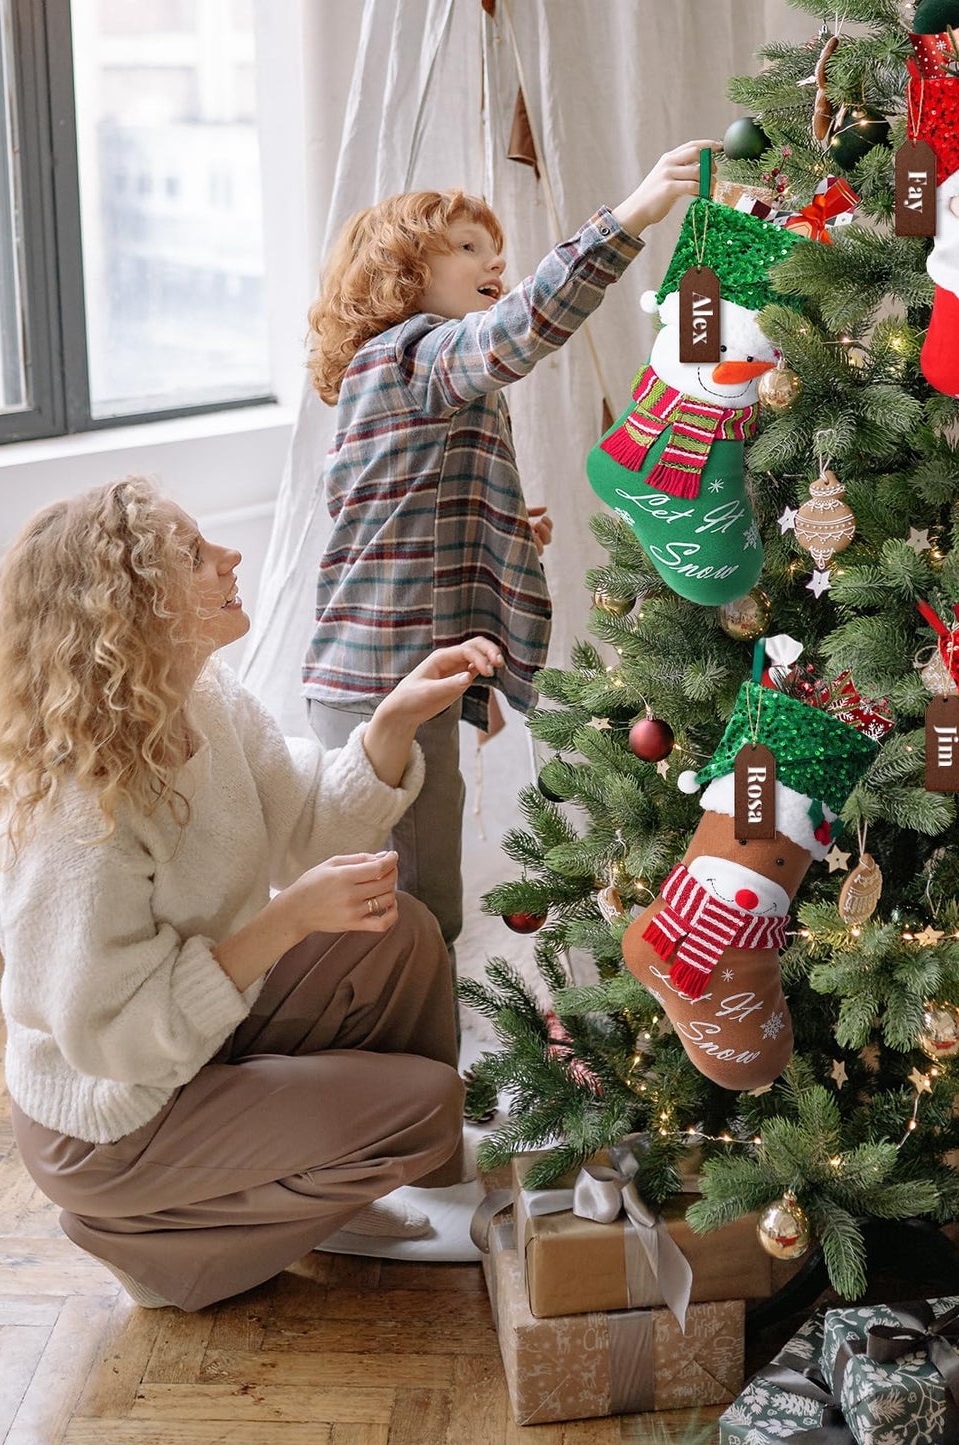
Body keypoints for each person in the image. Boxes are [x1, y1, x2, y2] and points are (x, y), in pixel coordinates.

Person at [0, 476, 502, 1311]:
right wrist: (286, 922)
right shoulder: (76, 807)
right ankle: (158, 1239)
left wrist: (392, 722)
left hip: (194, 1043)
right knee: (423, 1103)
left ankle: (405, 1179)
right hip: (113, 1119)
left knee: (398, 933)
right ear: (134, 606)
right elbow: (118, 1043)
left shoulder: (204, 699)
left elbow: (312, 824)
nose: (230, 557)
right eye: (193, 555)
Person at [301, 139, 718, 977]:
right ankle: (409, 1070)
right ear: (399, 273)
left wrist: (500, 529)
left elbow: (395, 515)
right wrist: (628, 216)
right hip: (385, 684)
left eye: (493, 245)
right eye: (465, 246)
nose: (494, 257)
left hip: (391, 673)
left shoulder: (405, 378)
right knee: (413, 912)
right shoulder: (413, 353)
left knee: (408, 902)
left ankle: (400, 1054)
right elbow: (516, 333)